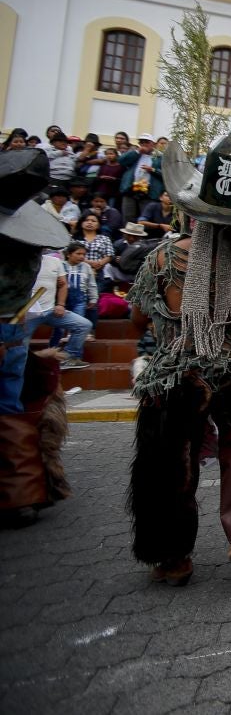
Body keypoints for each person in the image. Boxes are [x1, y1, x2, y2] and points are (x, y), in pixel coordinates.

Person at [125, 125, 231, 584]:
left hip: (177, 376)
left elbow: (139, 322)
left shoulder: (161, 259)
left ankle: (173, 555)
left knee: (173, 457)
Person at [0, 150, 77, 523]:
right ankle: (22, 490)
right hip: (13, 326)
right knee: (9, 404)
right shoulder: (28, 247)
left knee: (6, 403)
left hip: (9, 324)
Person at [117, 134, 162, 223]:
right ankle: (127, 237)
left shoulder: (160, 157)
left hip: (149, 192)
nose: (144, 144)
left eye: (147, 142)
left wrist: (152, 170)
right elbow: (121, 161)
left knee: (145, 219)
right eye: (141, 142)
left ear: (153, 144)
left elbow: (165, 174)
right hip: (131, 190)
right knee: (128, 218)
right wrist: (137, 152)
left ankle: (143, 237)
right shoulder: (134, 153)